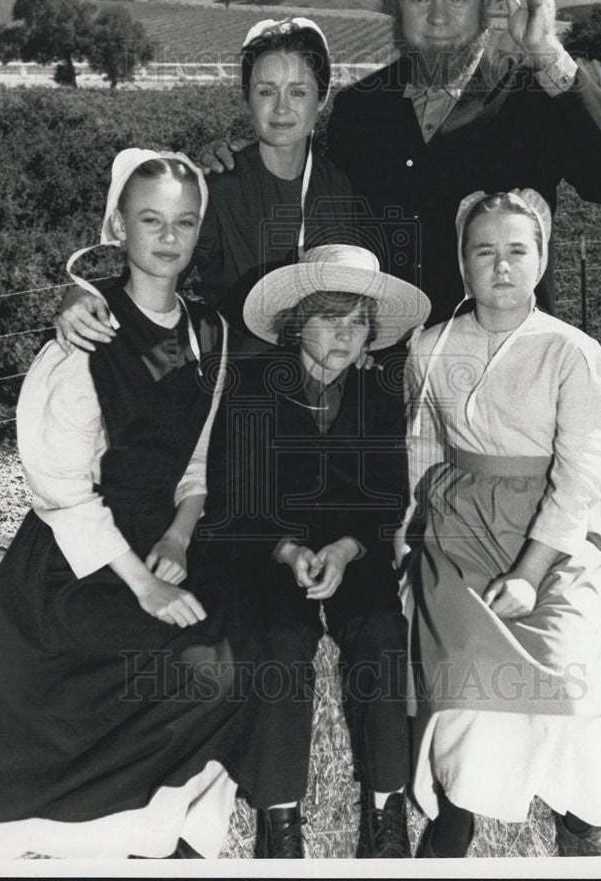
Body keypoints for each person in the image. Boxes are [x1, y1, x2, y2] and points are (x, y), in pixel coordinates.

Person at [0, 149, 262, 859]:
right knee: (194, 672)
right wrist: (140, 583)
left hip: (159, 539)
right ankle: (100, 820)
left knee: (241, 652)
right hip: (76, 559)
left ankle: (168, 809)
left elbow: (196, 460)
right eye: (150, 220)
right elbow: (58, 487)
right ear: (117, 224)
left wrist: (177, 536)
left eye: (184, 222)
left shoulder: (213, 332)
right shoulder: (87, 335)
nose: (168, 238)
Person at [204, 0, 601, 325]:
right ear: (397, 7)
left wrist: (547, 51)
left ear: (486, 6)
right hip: (385, 370)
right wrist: (241, 156)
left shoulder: (532, 97)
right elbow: (314, 189)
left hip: (499, 367)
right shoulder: (359, 109)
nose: (438, 17)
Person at [402, 189, 601, 857]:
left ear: (541, 258)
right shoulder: (429, 349)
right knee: (464, 675)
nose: (500, 267)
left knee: (567, 669)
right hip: (462, 529)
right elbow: (424, 452)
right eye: (483, 251)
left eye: (517, 251)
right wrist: (407, 540)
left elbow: (580, 474)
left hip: (558, 537)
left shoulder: (573, 353)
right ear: (462, 262)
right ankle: (457, 806)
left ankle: (579, 821)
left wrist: (528, 574)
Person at [191, 244, 431, 858]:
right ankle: (280, 820)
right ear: (297, 321)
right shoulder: (249, 387)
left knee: (380, 628)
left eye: (357, 323)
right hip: (266, 550)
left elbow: (388, 496)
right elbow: (228, 503)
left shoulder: (379, 391)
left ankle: (385, 812)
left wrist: (350, 550)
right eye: (330, 319)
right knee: (280, 638)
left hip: (354, 550)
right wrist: (287, 552)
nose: (345, 335)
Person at [55, 18, 359, 358]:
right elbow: (152, 279)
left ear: (321, 98)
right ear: (247, 97)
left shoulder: (339, 187)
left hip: (326, 383)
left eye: (299, 91)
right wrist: (84, 295)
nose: (282, 108)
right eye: (266, 91)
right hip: (240, 387)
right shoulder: (217, 188)